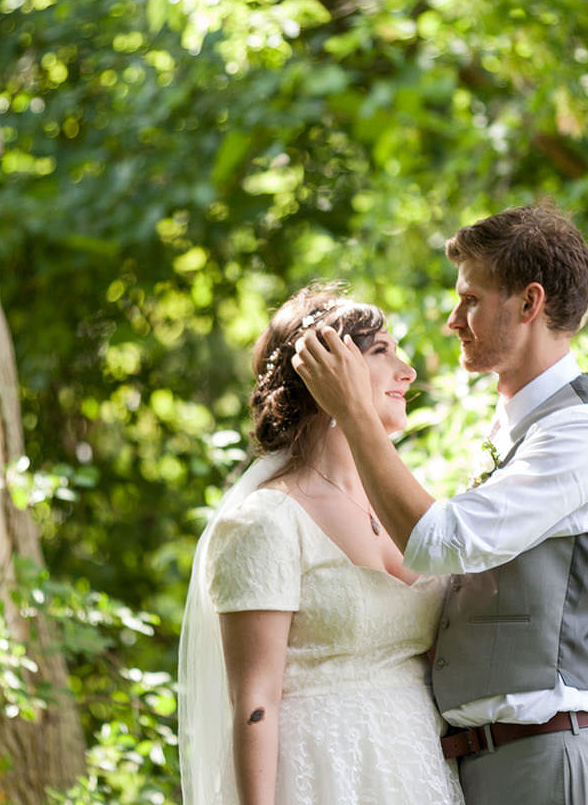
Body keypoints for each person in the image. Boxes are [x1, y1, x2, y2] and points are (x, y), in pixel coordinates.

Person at [292, 204, 588, 805]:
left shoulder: (583, 433)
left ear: (529, 304)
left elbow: (439, 542)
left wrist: (353, 413)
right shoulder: (519, 432)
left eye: (471, 300)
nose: (454, 320)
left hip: (548, 763)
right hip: (483, 766)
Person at [178, 285, 465, 805]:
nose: (409, 371)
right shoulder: (265, 522)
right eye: (382, 351)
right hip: (318, 776)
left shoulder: (409, 508)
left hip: (416, 770)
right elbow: (253, 701)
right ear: (326, 370)